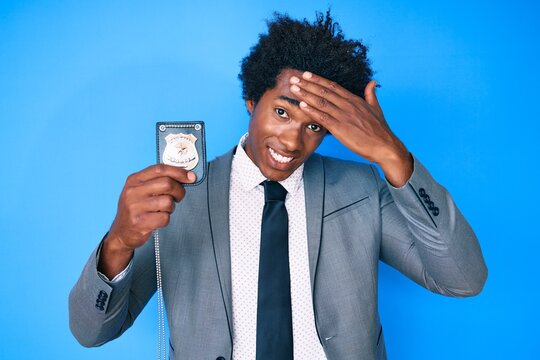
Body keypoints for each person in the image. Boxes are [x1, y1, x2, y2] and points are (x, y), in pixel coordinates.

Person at [69, 11, 487, 360]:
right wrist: (119, 242)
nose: (292, 140)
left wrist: (392, 155)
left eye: (314, 125)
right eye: (283, 112)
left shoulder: (360, 188)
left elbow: (463, 279)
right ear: (252, 100)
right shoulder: (180, 199)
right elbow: (91, 332)